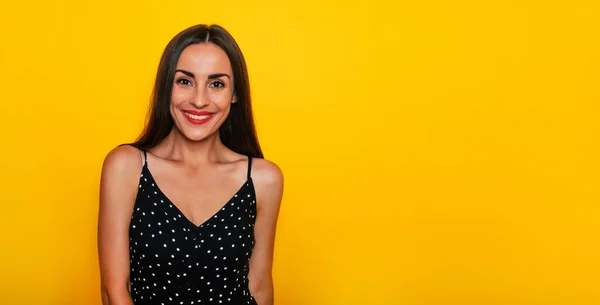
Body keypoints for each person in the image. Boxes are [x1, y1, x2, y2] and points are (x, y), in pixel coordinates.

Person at [97, 24, 284, 305]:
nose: (199, 100)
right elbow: (115, 290)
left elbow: (259, 287)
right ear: (166, 87)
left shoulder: (263, 178)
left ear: (235, 95)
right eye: (184, 81)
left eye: (216, 84)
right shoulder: (126, 166)